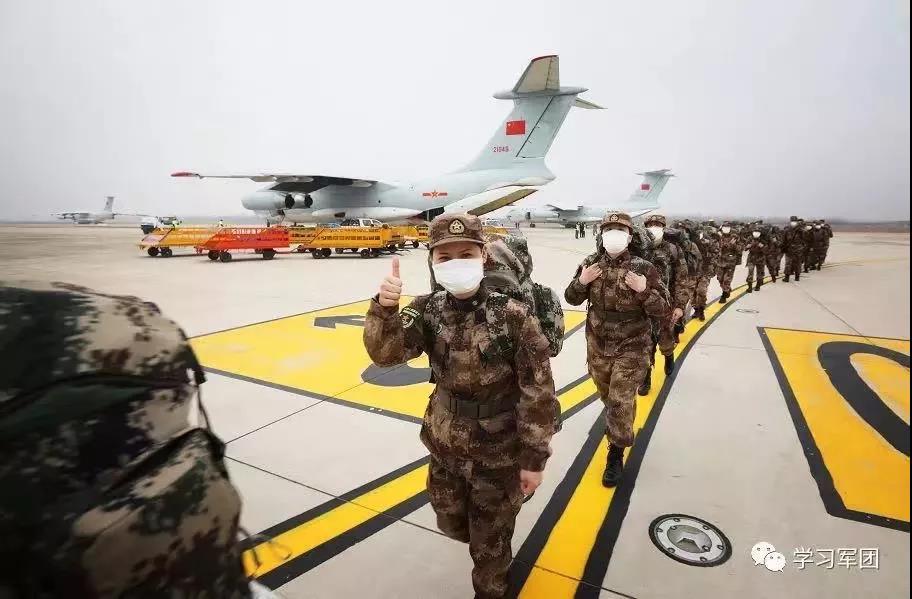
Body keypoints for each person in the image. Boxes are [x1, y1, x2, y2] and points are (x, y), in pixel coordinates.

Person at [363, 213, 557, 599]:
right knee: (451, 522)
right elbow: (385, 354)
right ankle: (489, 536)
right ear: (433, 263)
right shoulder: (426, 309)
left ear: (483, 256)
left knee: (488, 546)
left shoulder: (515, 317)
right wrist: (384, 308)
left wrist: (533, 460)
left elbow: (538, 392)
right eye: (445, 257)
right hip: (445, 444)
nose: (455, 263)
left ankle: (492, 586)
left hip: (498, 453)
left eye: (465, 254)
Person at [564, 212, 670, 486]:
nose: (614, 234)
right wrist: (581, 282)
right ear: (601, 235)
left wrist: (644, 290)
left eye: (620, 230)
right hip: (598, 344)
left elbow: (663, 308)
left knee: (620, 401)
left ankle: (616, 451)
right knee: (609, 397)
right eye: (608, 229)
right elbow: (571, 298)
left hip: (632, 345)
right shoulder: (590, 264)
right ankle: (617, 427)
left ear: (630, 236)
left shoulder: (643, 268)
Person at [693, 223, 720, 320]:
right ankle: (696, 309)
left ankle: (701, 309)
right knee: (693, 292)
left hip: (706, 269)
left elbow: (715, 255)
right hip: (695, 270)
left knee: (701, 290)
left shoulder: (714, 243)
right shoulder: (695, 241)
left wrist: (707, 246)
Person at [716, 222, 742, 303]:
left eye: (727, 227)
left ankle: (724, 295)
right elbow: (715, 247)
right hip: (720, 262)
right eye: (724, 227)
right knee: (720, 279)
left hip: (730, 262)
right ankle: (727, 289)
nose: (726, 229)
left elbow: (740, 249)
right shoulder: (719, 236)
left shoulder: (735, 237)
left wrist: (734, 245)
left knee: (726, 280)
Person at [781, 216, 805, 282]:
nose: (793, 223)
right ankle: (787, 277)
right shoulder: (787, 230)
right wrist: (783, 248)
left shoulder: (801, 230)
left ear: (797, 222)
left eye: (794, 221)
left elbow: (805, 240)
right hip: (789, 250)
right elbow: (784, 240)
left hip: (798, 250)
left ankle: (797, 277)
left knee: (797, 263)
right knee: (788, 263)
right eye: (792, 221)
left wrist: (802, 248)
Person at [745, 227, 767, 292]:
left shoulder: (763, 240)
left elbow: (767, 251)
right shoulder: (749, 238)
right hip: (751, 257)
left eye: (757, 232)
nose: (756, 234)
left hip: (760, 258)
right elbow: (744, 248)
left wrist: (762, 247)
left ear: (760, 233)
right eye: (755, 232)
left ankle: (758, 286)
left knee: (760, 273)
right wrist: (747, 246)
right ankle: (750, 287)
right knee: (750, 272)